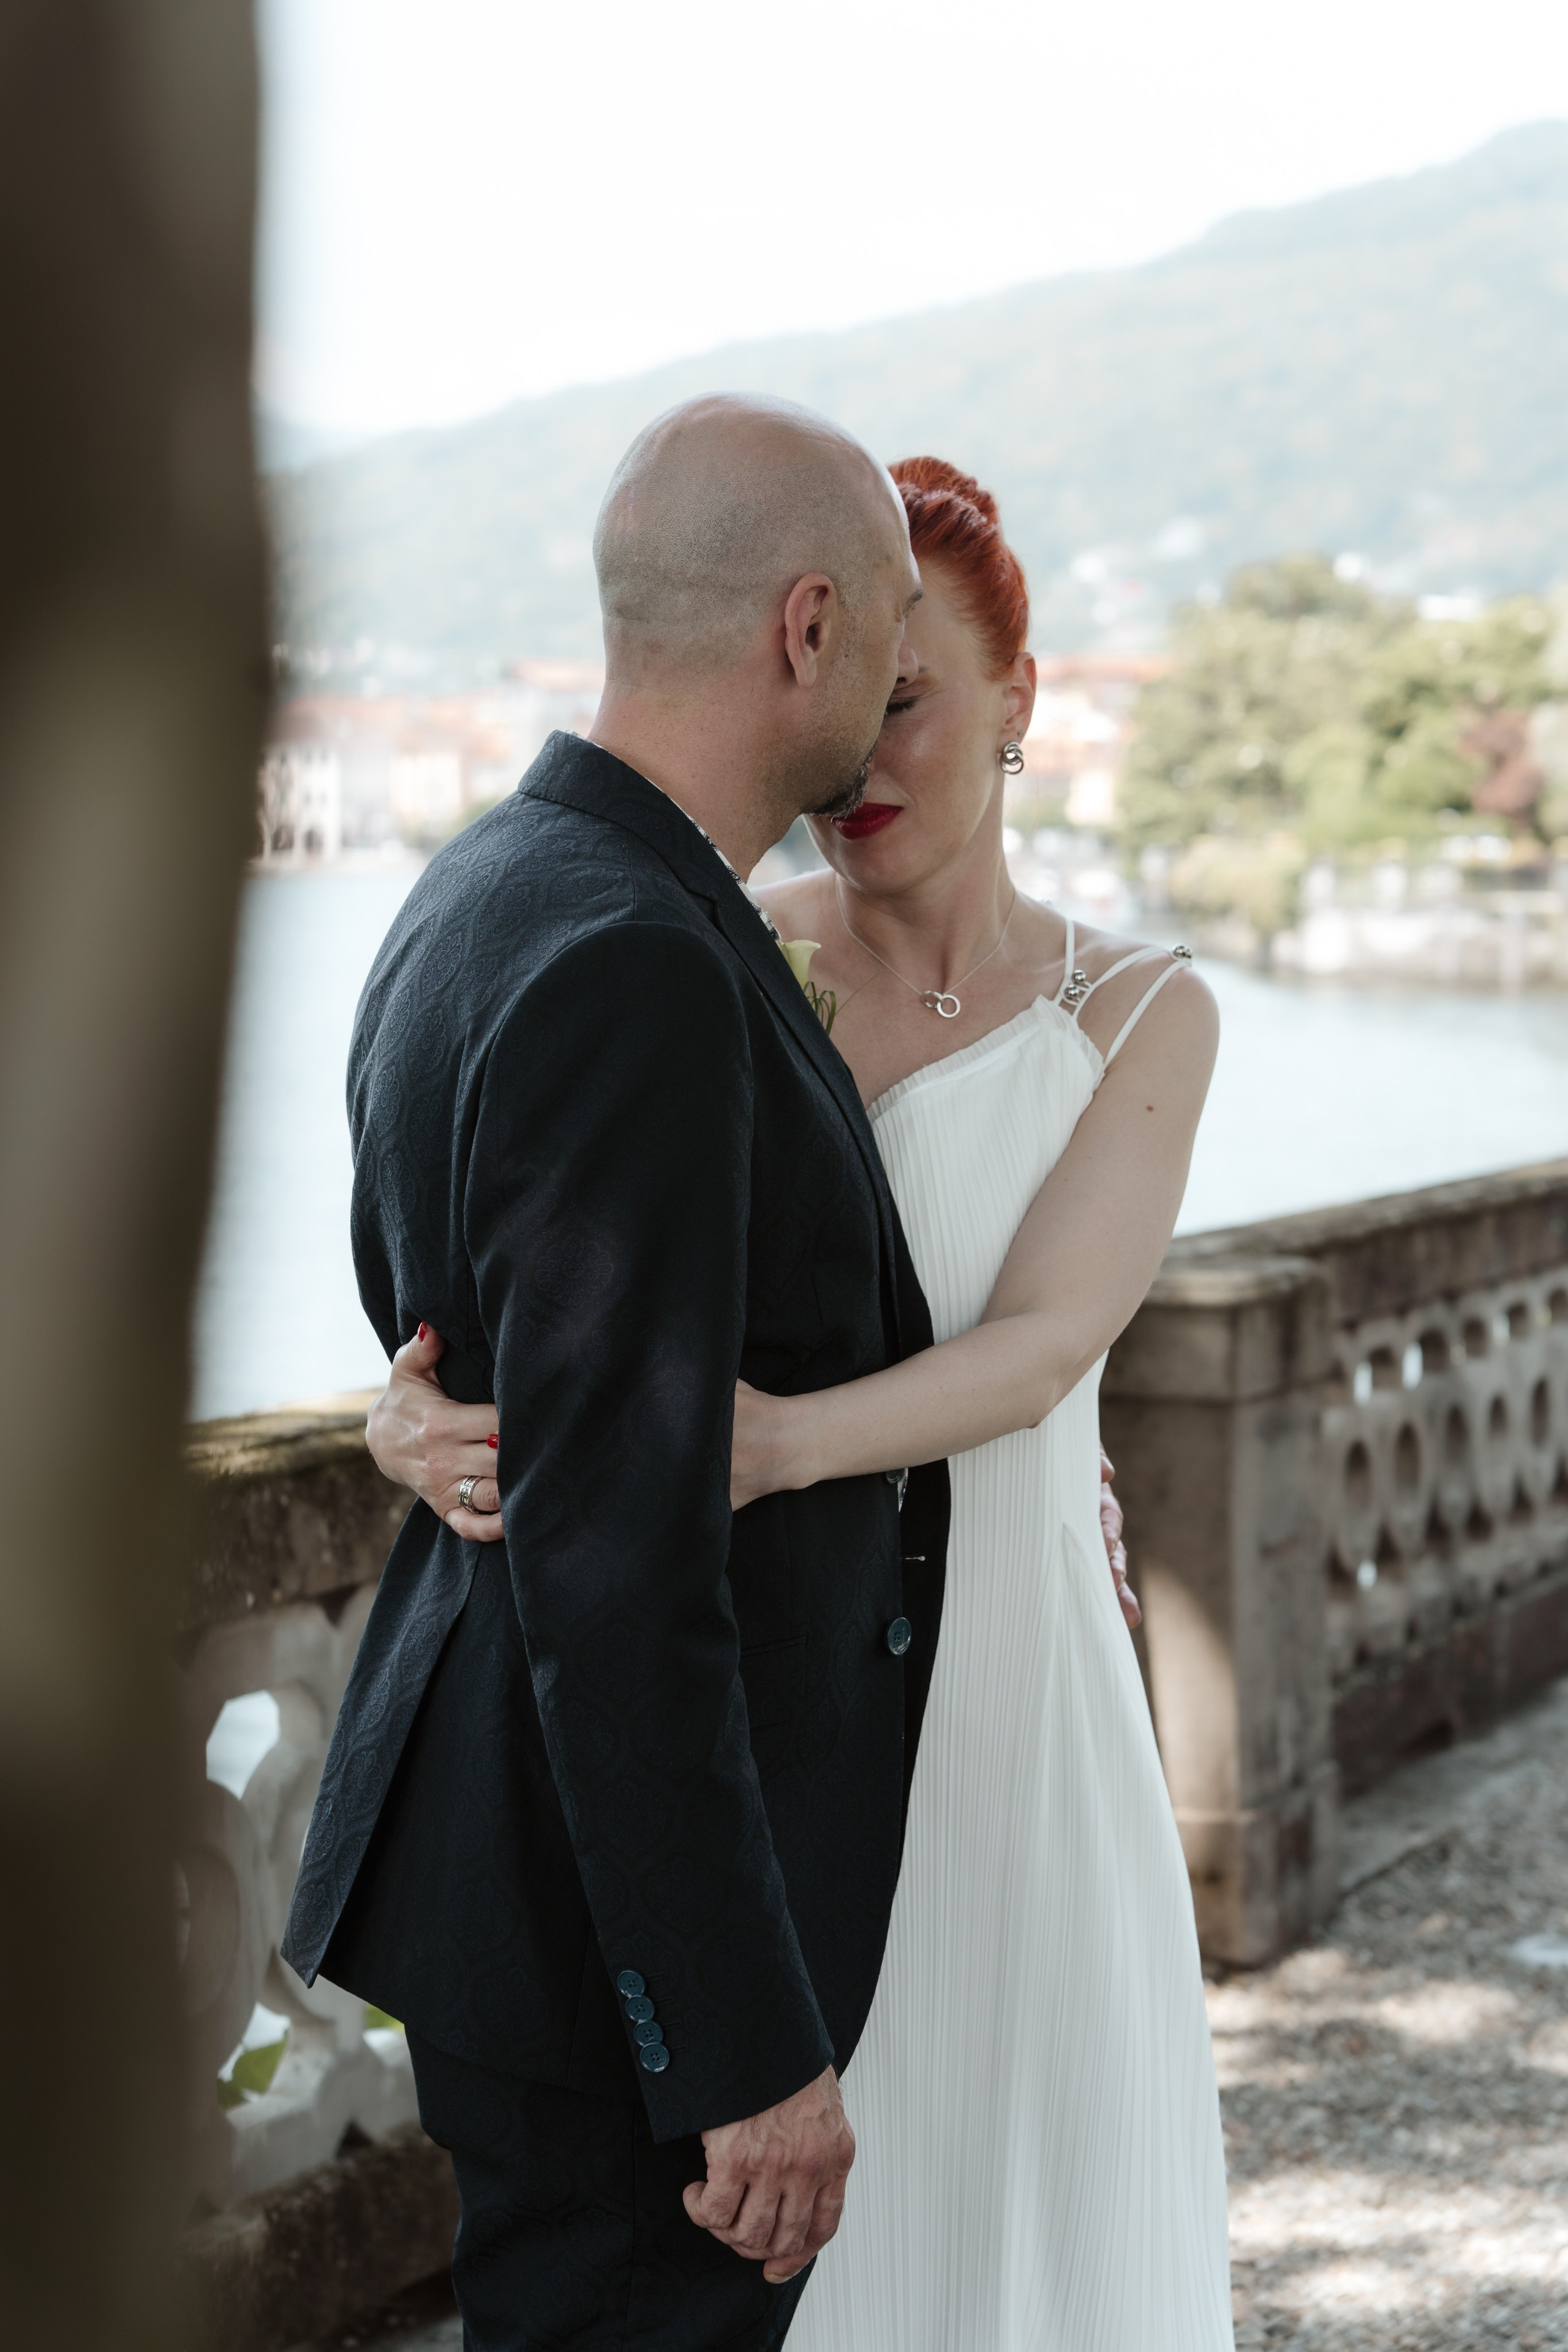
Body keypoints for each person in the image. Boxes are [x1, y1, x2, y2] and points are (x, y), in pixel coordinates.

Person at [375, 457, 1235, 2348]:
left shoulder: (1141, 1007)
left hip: (1008, 1657)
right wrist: (407, 1406)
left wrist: (770, 1446)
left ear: (1020, 700)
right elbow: (538, 1243)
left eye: (912, 704)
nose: (866, 763)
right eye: (861, 698)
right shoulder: (712, 949)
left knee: (1012, 2172)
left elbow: (1045, 1344)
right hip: (788, 1691)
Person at [282, 395, 953, 2352]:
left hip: (534, 1882)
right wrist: (737, 2050)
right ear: (808, 625)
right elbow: (619, 1565)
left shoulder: (486, 883)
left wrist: (406, 1414)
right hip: (609, 1941)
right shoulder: (640, 958)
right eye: (894, 624)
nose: (900, 672)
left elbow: (445, 1328)